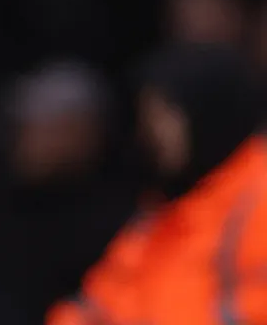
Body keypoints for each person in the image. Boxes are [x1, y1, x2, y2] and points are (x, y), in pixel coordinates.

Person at [46, 43, 267, 325]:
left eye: (165, 116)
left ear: (206, 111)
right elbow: (99, 304)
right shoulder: (165, 206)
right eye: (150, 116)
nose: (152, 132)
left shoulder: (256, 198)